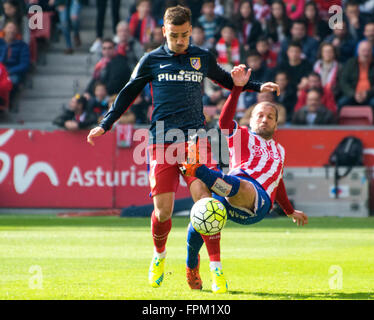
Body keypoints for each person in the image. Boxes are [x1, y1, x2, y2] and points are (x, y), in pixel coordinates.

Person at [86, 5, 280, 291]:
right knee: (164, 212)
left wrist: (255, 85)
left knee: (208, 205)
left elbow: (229, 80)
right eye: (175, 35)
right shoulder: (151, 60)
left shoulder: (201, 57)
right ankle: (159, 256)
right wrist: (106, 123)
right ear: (164, 31)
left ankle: (214, 270)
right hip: (162, 139)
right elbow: (128, 92)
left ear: (191, 31)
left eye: (185, 35)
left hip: (196, 139)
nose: (180, 41)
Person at [179, 64, 308, 293]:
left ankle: (198, 170)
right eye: (260, 115)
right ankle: (193, 267)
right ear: (251, 119)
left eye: (270, 117)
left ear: (276, 124)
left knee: (242, 186)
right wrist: (237, 89)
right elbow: (224, 123)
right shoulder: (243, 135)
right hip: (229, 193)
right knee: (202, 214)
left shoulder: (280, 151)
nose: (265, 119)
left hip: (256, 203)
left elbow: (277, 182)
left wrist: (289, 210)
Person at [337, 40, 374, 110]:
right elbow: (343, 81)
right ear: (358, 51)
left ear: (372, 51)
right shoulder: (350, 63)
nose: (366, 53)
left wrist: (367, 93)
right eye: (363, 50)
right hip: (353, 94)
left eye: (368, 50)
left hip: (371, 95)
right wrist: (353, 94)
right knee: (341, 103)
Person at [0, 20, 30, 89]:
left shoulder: (22, 45)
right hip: (1, 71)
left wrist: (10, 71)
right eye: (9, 28)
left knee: (11, 82)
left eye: (14, 28)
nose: (11, 31)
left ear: (17, 31)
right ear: (4, 29)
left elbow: (24, 64)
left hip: (13, 72)